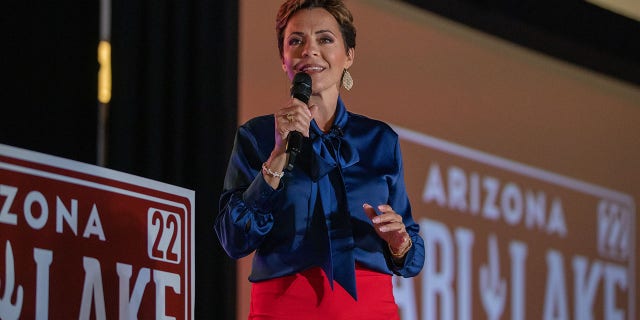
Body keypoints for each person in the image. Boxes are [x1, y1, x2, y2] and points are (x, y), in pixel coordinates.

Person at [215, 0, 425, 318]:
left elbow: (411, 255)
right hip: (284, 308)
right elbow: (233, 239)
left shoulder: (380, 140)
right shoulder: (257, 136)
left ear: (349, 55)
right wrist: (278, 156)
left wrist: (400, 243)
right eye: (296, 41)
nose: (310, 50)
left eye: (325, 39)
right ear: (283, 58)